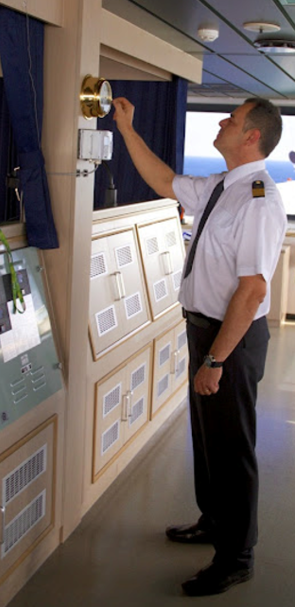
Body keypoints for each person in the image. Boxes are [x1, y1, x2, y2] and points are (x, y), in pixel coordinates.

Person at [112, 95, 285, 597]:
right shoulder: (219, 187)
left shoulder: (258, 199)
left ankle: (237, 556)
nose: (222, 122)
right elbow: (165, 181)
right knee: (209, 440)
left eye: (231, 119)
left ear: (251, 135)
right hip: (205, 329)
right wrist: (126, 129)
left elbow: (252, 290)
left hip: (228, 340)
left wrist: (215, 359)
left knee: (232, 449)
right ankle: (214, 521)